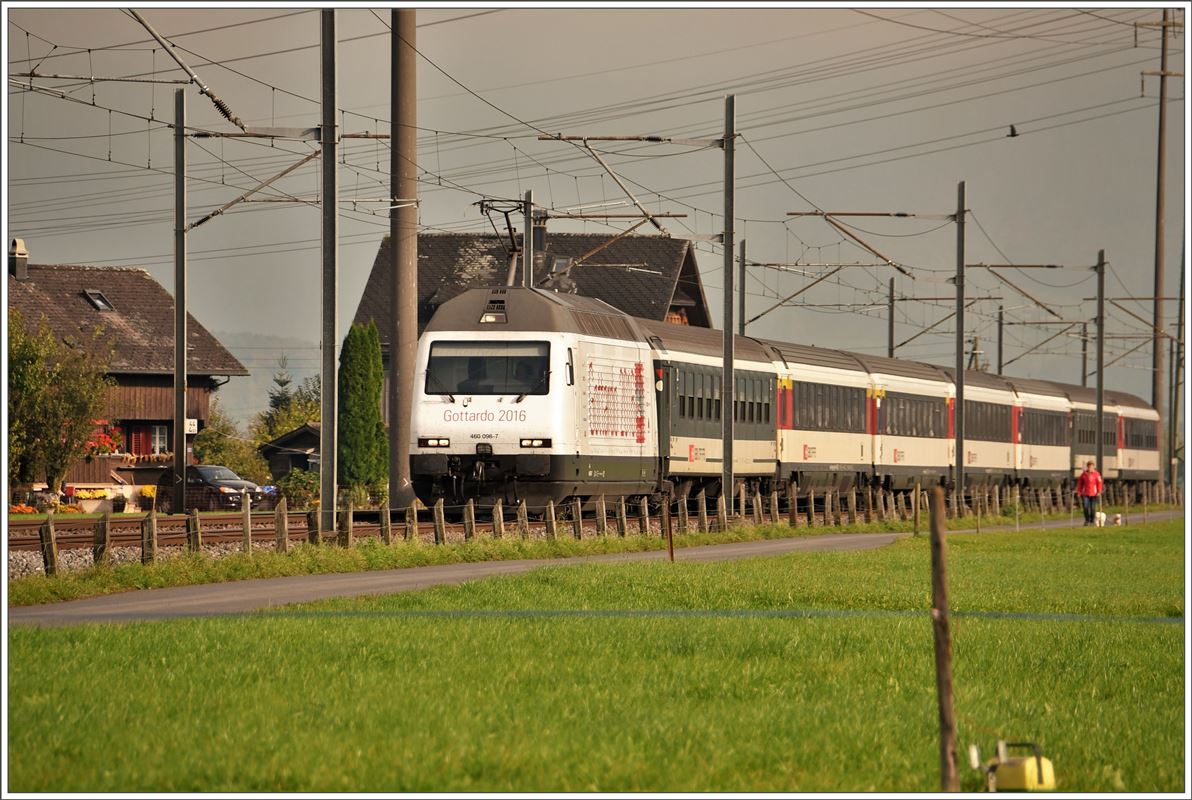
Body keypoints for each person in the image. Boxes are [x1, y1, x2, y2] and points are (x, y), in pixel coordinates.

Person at [1075, 460, 1103, 526]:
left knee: (1093, 508)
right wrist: (1079, 491)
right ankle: (1087, 520)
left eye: (1092, 466)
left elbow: (1099, 483)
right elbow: (1080, 483)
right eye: (1089, 466)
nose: (1090, 468)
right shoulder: (1084, 474)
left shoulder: (1097, 474)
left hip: (1094, 494)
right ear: (1088, 467)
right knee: (1085, 507)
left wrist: (1099, 491)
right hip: (1086, 494)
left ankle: (1092, 520)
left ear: (1093, 467)